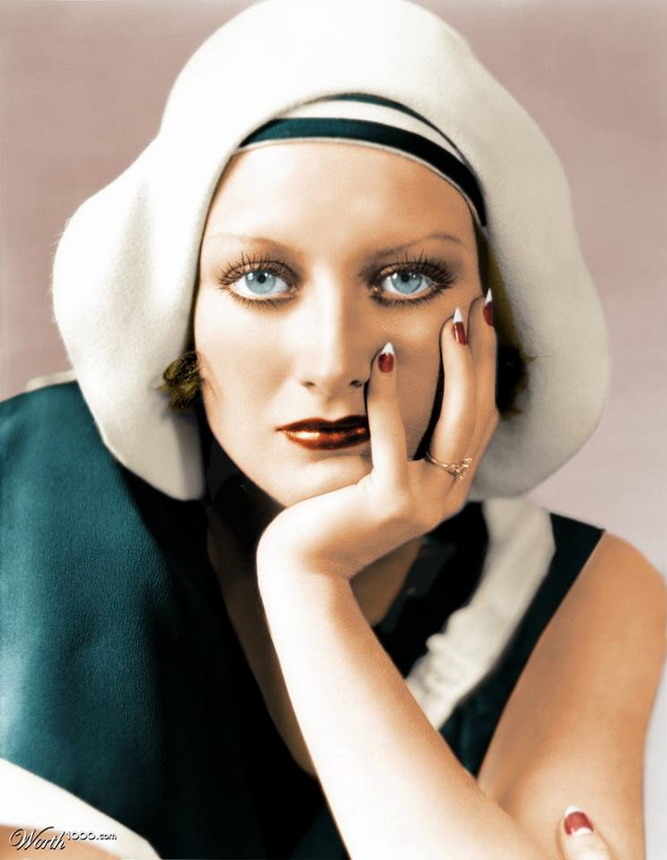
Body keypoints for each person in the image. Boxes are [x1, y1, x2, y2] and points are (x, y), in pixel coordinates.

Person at [0, 1, 664, 858]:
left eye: (406, 279)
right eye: (262, 279)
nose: (332, 359)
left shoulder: (569, 585)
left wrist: (306, 579)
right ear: (182, 310)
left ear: (491, 313)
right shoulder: (37, 489)